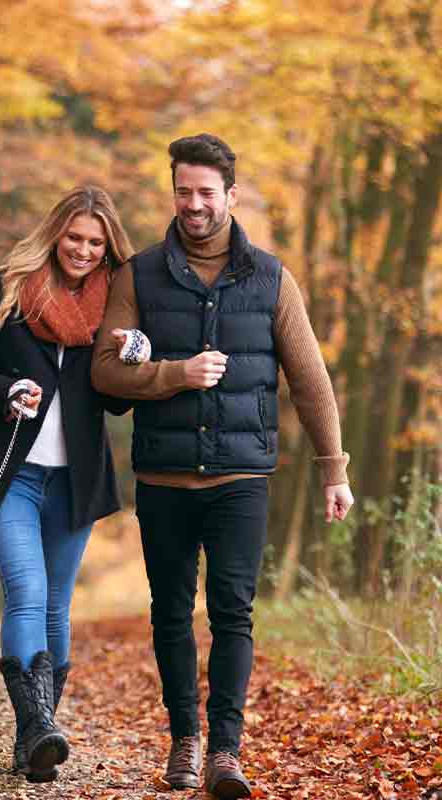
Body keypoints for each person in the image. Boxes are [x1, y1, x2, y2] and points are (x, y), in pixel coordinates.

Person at [90, 134, 355, 799]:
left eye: (207, 193)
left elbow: (311, 381)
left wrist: (334, 468)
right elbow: (103, 372)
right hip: (163, 479)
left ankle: (226, 752)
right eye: (184, 192)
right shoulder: (139, 276)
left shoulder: (270, 279)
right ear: (173, 191)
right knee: (172, 613)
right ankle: (185, 739)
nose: (195, 205)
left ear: (231, 196)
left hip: (241, 479)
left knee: (234, 611)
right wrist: (174, 374)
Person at [0, 185, 136, 783]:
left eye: (95, 243)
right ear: (55, 234)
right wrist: (5, 392)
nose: (82, 249)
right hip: (8, 474)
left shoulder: (116, 308)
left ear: (107, 249)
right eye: (74, 237)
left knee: (56, 604)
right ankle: (38, 730)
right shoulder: (9, 288)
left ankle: (36, 737)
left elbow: (118, 406)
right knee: (27, 588)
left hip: (73, 481)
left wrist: (129, 358)